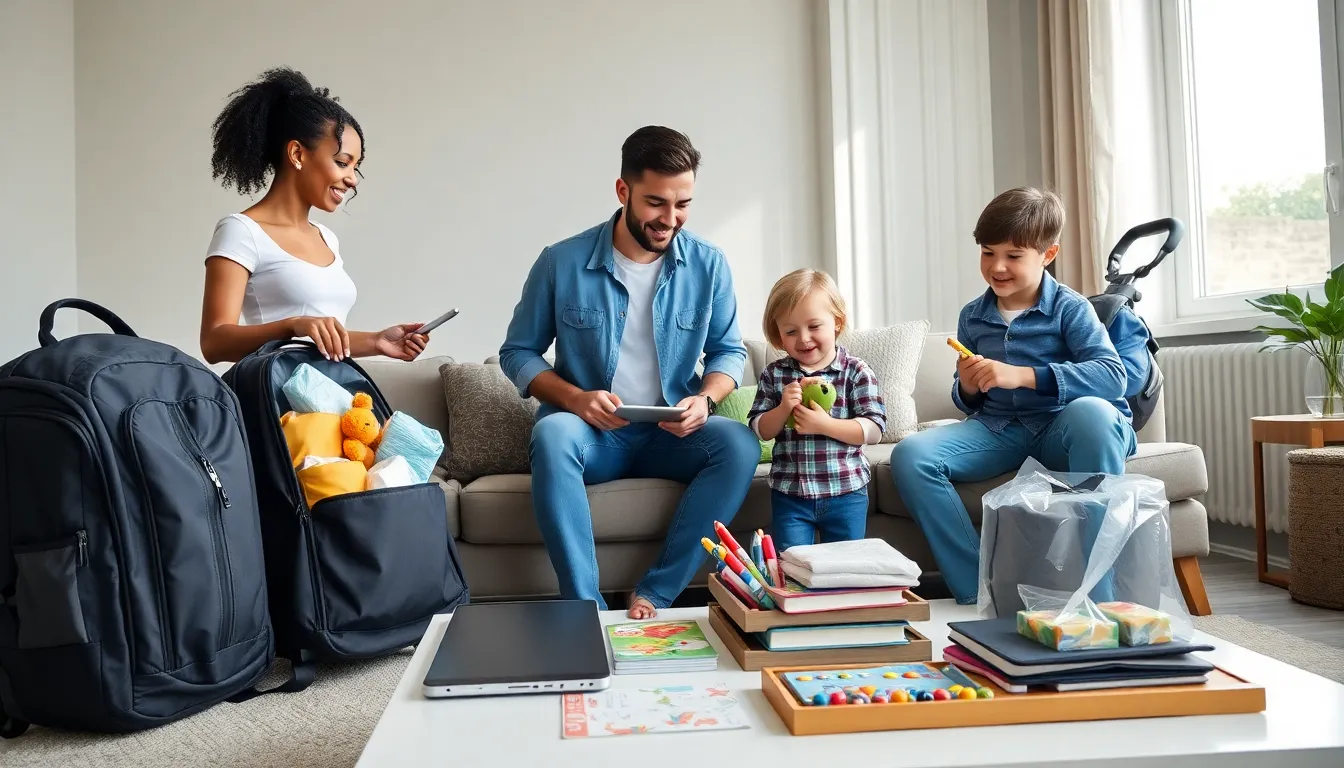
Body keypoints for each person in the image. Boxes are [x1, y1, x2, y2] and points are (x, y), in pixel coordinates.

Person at [499, 126, 761, 619]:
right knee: (553, 434)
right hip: (594, 436)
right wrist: (576, 399)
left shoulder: (709, 264)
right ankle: (586, 611)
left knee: (739, 444)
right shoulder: (562, 262)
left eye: (682, 204)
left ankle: (656, 592)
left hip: (671, 434)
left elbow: (729, 353)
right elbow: (518, 353)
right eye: (656, 203)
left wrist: (704, 400)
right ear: (623, 192)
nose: (670, 219)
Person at [889, 187, 1144, 604]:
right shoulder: (973, 315)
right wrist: (968, 386)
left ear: (1047, 254)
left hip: (1068, 428)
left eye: (1013, 255)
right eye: (988, 253)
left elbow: (1113, 377)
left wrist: (1025, 376)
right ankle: (978, 590)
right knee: (911, 455)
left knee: (1094, 415)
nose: (998, 267)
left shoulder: (1071, 308)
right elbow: (968, 400)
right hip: (1001, 429)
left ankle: (1101, 599)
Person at [200, 67, 428, 365]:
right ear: (297, 154)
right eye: (342, 162)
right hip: (276, 398)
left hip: (330, 394)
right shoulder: (241, 231)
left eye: (354, 168)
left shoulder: (326, 238)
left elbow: (323, 339)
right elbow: (214, 343)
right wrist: (293, 325)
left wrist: (376, 341)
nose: (352, 179)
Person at [748, 268, 886, 553]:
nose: (804, 338)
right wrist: (784, 407)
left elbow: (873, 430)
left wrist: (824, 425)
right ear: (778, 336)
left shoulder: (856, 371)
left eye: (814, 326)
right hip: (791, 495)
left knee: (846, 570)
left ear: (837, 322)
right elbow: (760, 429)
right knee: (793, 569)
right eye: (790, 331)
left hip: (846, 492)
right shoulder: (775, 375)